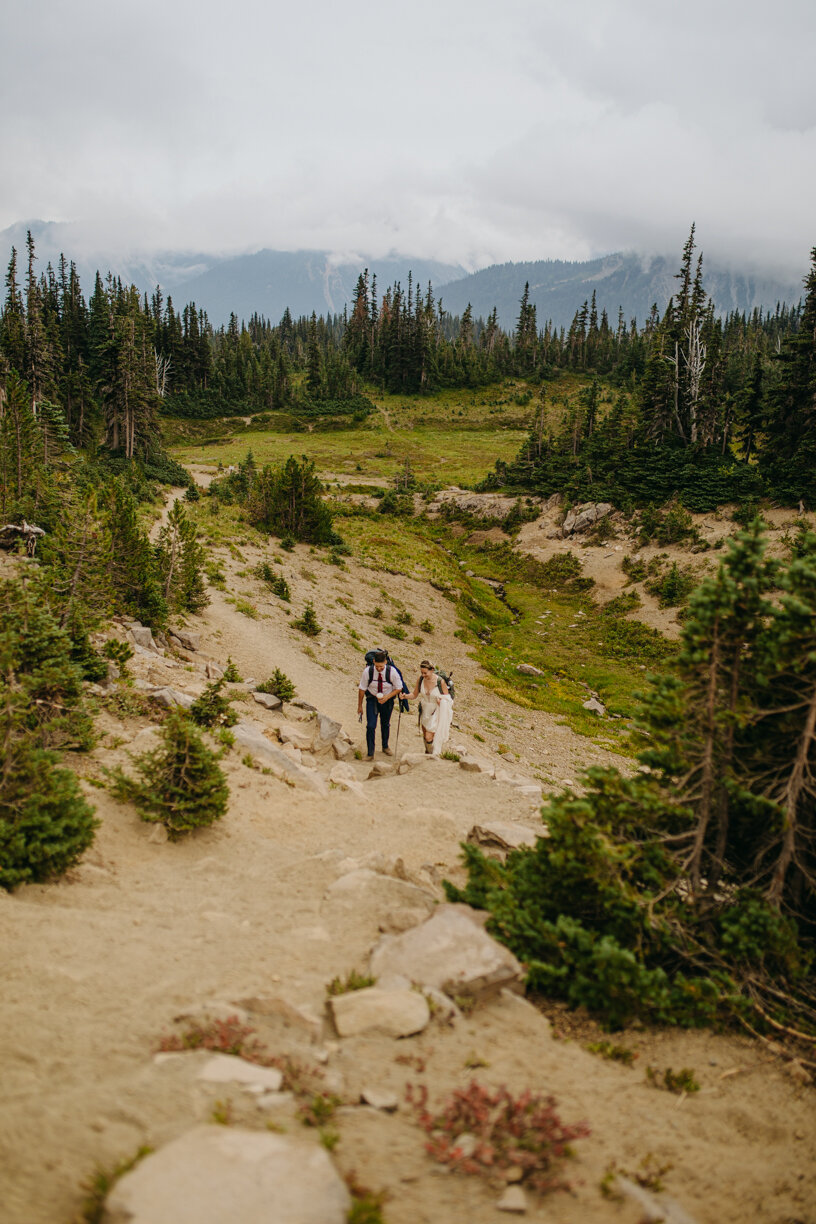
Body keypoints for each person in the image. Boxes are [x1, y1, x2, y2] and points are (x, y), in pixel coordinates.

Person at [357, 650, 406, 761]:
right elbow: (362, 688)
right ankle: (370, 753)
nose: (379, 668)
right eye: (377, 666)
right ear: (373, 661)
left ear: (385, 662)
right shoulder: (368, 671)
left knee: (385, 724)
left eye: (381, 666)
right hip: (372, 699)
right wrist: (359, 706)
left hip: (387, 700)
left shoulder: (392, 672)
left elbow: (399, 688)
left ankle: (385, 746)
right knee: (370, 725)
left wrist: (387, 697)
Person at [406, 660, 452, 754]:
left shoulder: (440, 682)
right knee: (425, 735)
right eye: (422, 673)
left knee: (428, 736)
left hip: (436, 711)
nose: (423, 675)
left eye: (425, 673)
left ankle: (432, 755)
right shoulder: (421, 680)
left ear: (432, 670)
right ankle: (428, 753)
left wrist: (441, 701)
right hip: (424, 710)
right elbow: (414, 695)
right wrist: (405, 696)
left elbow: (448, 699)